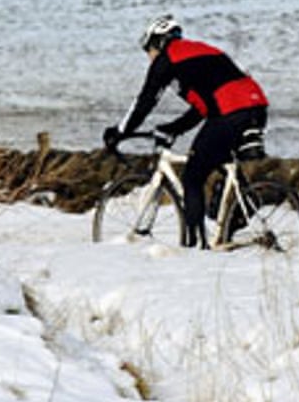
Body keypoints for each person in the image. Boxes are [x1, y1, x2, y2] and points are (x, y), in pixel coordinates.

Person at [103, 15, 268, 248]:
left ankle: (195, 246)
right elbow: (202, 108)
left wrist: (120, 131)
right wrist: (174, 128)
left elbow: (145, 100)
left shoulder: (168, 58)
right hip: (256, 105)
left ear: (159, 42)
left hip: (231, 110)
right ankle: (239, 211)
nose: (148, 57)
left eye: (148, 49)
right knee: (219, 161)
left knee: (192, 176)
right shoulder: (197, 54)